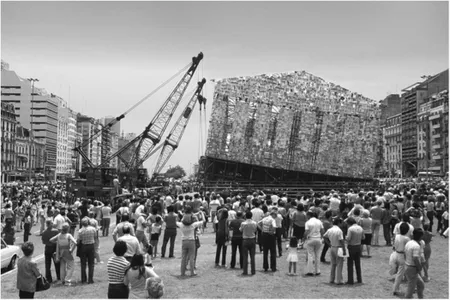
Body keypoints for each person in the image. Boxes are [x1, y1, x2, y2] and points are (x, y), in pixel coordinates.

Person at [176, 209, 203, 276]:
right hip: (191, 241)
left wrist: (181, 215)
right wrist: (201, 214)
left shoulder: (181, 225)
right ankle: (192, 272)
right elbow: (203, 221)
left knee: (183, 257)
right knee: (192, 257)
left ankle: (182, 272)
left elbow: (176, 221)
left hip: (184, 241)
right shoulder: (193, 225)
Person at [323, 217, 346, 285]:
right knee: (339, 264)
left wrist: (329, 244)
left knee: (333, 264)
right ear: (339, 223)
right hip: (338, 248)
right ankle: (339, 280)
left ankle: (331, 279)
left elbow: (324, 237)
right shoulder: (339, 231)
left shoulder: (330, 230)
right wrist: (344, 249)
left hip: (332, 247)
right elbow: (341, 241)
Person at [390, 222, 410, 296]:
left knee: (400, 272)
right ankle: (395, 289)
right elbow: (408, 248)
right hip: (402, 255)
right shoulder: (407, 238)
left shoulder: (397, 236)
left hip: (396, 253)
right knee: (400, 274)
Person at [404, 228, 425, 299]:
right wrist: (419, 267)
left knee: (421, 285)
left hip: (408, 266)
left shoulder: (409, 243)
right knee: (410, 289)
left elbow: (405, 254)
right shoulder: (416, 246)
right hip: (412, 268)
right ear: (421, 237)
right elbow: (415, 258)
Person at [345, 217, 364, 284]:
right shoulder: (360, 228)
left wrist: (345, 237)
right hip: (358, 246)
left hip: (351, 247)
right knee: (357, 263)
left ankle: (350, 280)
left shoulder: (350, 229)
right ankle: (359, 279)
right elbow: (363, 237)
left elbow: (348, 238)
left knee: (350, 264)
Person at [304, 211, 324, 276]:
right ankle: (317, 270)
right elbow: (322, 230)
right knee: (317, 255)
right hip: (318, 238)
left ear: (309, 215)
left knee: (310, 255)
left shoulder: (308, 222)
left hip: (311, 239)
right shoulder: (319, 221)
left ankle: (310, 271)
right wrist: (321, 237)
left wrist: (303, 238)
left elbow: (306, 231)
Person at [77, 216, 96, 284]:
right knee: (91, 264)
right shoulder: (93, 229)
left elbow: (78, 240)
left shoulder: (80, 231)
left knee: (83, 264)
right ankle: (90, 279)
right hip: (91, 246)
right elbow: (95, 237)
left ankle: (83, 279)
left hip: (83, 246)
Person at [41, 218, 61, 283]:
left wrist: (48, 243)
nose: (53, 224)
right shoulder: (56, 231)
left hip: (47, 249)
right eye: (52, 223)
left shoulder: (44, 232)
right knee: (57, 264)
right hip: (54, 248)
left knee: (47, 265)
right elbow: (58, 239)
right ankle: (59, 277)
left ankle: (49, 279)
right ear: (49, 224)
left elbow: (43, 242)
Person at [240, 211, 258, 276]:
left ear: (245, 216)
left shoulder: (243, 223)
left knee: (245, 256)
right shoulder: (254, 223)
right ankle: (253, 271)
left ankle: (245, 271)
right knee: (252, 256)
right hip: (252, 239)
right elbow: (255, 230)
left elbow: (241, 230)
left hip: (245, 240)